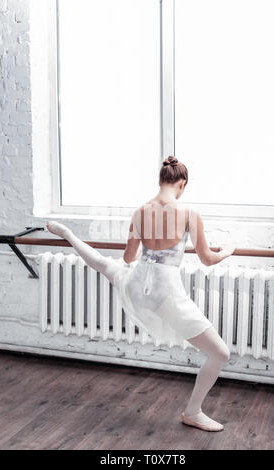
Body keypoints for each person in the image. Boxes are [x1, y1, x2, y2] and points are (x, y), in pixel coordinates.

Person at [46, 155, 235, 432]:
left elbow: (128, 257)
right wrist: (227, 251)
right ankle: (192, 412)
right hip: (165, 292)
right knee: (220, 353)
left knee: (104, 265)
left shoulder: (140, 212)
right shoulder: (190, 214)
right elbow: (207, 259)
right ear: (182, 184)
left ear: (161, 181)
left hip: (137, 281)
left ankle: (68, 235)